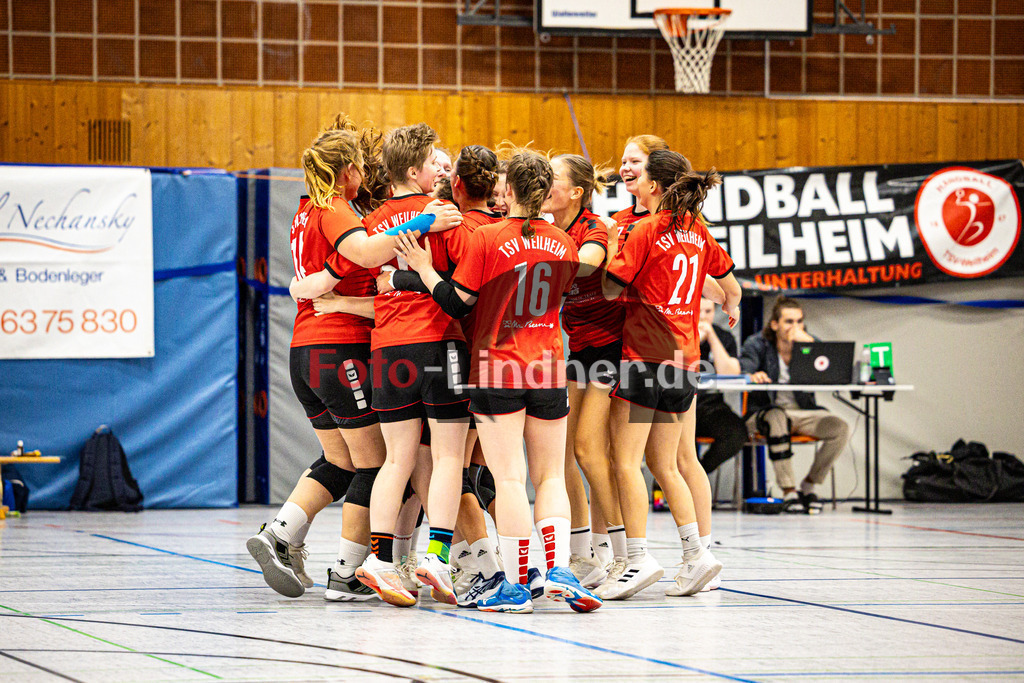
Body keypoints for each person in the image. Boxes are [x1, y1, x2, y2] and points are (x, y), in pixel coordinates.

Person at [249, 116, 459, 601]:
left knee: (339, 460)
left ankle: (282, 532)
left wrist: (324, 280)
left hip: (305, 350)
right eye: (359, 169)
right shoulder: (336, 209)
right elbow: (364, 252)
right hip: (340, 346)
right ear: (345, 172)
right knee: (378, 463)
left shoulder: (304, 210)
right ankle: (349, 571)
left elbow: (340, 260)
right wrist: (429, 219)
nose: (365, 176)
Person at [394, 149, 602, 614]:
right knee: (551, 476)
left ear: (508, 192)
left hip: (496, 367)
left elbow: (458, 302)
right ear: (546, 192)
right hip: (548, 364)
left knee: (509, 478)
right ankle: (560, 569)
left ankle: (512, 585)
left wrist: (424, 270)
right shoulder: (566, 243)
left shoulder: (486, 238)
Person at [601, 149, 741, 600]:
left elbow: (609, 288)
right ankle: (696, 555)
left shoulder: (643, 229)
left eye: (640, 175)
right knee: (667, 465)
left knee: (625, 461)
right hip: (684, 363)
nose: (633, 180)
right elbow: (730, 288)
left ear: (655, 186)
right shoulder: (697, 230)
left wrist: (611, 249)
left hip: (644, 359)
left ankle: (637, 559)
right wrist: (731, 309)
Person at [355, 123, 472, 608]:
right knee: (447, 457)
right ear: (413, 169)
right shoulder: (442, 213)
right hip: (437, 342)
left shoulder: (372, 221)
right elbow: (457, 284)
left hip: (387, 349)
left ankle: (380, 560)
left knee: (397, 459)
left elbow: (378, 280)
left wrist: (397, 278)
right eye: (433, 164)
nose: (440, 172)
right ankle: (436, 556)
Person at [542, 153, 625, 590]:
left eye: (552, 178)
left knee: (593, 451)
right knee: (564, 453)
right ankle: (582, 551)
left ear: (575, 191)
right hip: (580, 351)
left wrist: (540, 255)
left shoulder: (593, 226)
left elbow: (588, 263)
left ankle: (619, 552)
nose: (544, 183)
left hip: (615, 347)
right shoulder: (547, 228)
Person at [739, 297, 851, 514]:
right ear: (775, 324)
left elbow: (830, 370)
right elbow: (743, 367)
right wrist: (753, 375)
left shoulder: (809, 343)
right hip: (764, 413)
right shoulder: (757, 343)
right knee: (776, 416)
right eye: (789, 321)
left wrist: (806, 345)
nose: (795, 327)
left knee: (839, 427)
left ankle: (809, 485)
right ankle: (789, 491)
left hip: (803, 412)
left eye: (799, 322)